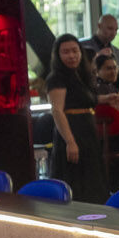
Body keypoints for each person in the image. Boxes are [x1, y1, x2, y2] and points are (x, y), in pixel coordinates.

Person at [44, 35, 107, 203]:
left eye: (74, 51)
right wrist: (70, 141)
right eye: (66, 52)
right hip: (71, 131)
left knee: (92, 179)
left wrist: (106, 99)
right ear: (58, 55)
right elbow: (57, 111)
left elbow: (83, 100)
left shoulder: (81, 74)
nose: (71, 56)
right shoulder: (56, 77)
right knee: (75, 181)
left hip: (88, 131)